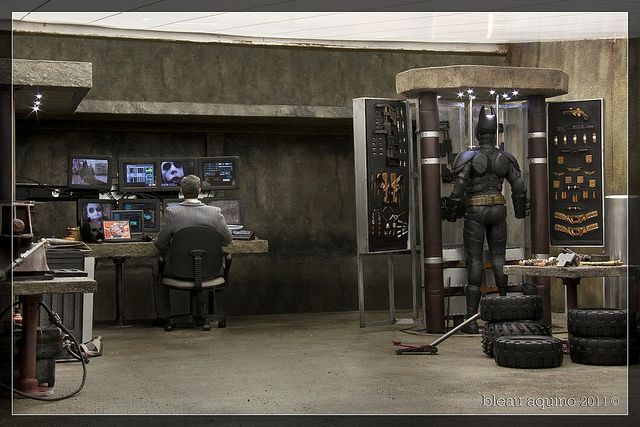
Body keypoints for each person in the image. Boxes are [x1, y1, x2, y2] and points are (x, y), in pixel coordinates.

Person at [441, 106, 529, 334]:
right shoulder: (506, 158)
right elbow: (519, 187)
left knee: (476, 261)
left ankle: (470, 321)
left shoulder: (468, 157)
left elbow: (459, 190)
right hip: (498, 209)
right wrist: (519, 212)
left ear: (478, 134)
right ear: (494, 133)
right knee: (499, 259)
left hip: (476, 210)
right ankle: (503, 313)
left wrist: (451, 208)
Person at [152, 174, 232, 329]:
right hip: (211, 272)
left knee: (157, 269)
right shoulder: (214, 213)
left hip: (177, 272)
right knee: (202, 268)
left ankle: (164, 316)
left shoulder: (172, 213)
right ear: (200, 190)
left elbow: (160, 244)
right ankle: (203, 314)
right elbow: (227, 240)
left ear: (181, 191)